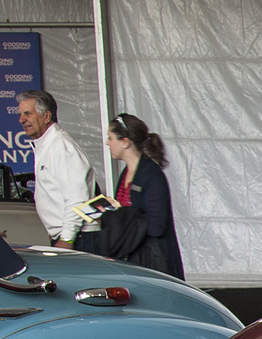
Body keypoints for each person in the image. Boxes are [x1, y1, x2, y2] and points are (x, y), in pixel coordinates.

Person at [17, 90, 99, 252]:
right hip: (66, 235)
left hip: (78, 238)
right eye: (20, 115)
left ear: (46, 116)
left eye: (27, 114)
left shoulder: (61, 147)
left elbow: (77, 198)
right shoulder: (46, 144)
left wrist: (67, 238)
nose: (22, 120)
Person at [106, 112, 185, 280]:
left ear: (125, 142)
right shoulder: (126, 173)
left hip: (153, 262)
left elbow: (156, 225)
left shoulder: (151, 175)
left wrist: (122, 218)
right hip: (132, 258)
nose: (107, 143)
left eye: (111, 138)